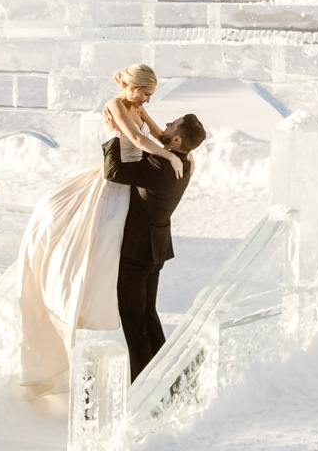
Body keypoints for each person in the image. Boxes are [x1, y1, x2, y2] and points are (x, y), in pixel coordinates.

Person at [15, 65, 183, 393]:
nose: (149, 98)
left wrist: (166, 139)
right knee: (100, 244)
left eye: (151, 93)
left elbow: (156, 135)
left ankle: (153, 369)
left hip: (130, 183)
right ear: (132, 87)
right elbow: (134, 140)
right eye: (146, 92)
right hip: (117, 179)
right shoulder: (117, 106)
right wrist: (169, 157)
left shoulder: (137, 107)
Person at [102, 109, 208, 381]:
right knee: (148, 316)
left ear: (176, 143)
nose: (167, 124)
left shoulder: (161, 166)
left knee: (135, 323)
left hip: (137, 252)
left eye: (172, 125)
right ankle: (167, 381)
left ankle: (141, 391)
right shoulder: (184, 162)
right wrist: (141, 114)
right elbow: (161, 137)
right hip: (155, 248)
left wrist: (115, 133)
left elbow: (113, 170)